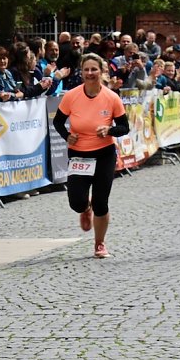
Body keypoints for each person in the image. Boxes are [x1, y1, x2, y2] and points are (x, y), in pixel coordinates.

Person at [52, 53, 130, 259]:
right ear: (81, 72)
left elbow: (124, 127)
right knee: (76, 202)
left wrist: (109, 130)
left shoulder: (112, 97)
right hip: (79, 155)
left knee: (101, 202)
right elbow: (58, 122)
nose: (90, 73)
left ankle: (99, 244)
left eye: (94, 69)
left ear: (102, 71)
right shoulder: (72, 96)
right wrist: (67, 136)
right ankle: (85, 209)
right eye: (86, 69)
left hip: (104, 153)